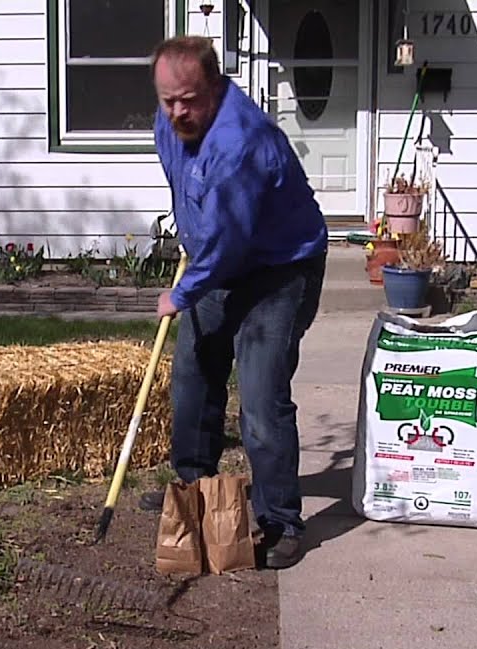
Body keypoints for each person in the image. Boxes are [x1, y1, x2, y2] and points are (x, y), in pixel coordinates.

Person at [139, 35, 329, 570]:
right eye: (168, 99)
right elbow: (189, 191)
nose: (179, 111)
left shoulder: (242, 142)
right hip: (222, 260)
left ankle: (281, 520)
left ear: (216, 86)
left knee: (261, 396)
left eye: (190, 99)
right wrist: (190, 237)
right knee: (193, 373)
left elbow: (229, 240)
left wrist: (180, 293)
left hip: (278, 271)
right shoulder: (169, 124)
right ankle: (193, 490)